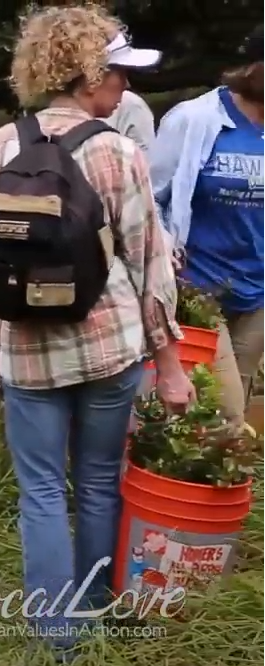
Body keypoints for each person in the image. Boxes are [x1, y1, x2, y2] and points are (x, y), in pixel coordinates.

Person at [0, 6, 193, 655]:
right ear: (87, 73)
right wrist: (168, 364)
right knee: (95, 482)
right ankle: (93, 613)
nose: (122, 85)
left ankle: (54, 638)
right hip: (109, 348)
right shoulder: (117, 150)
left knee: (39, 492)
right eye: (116, 72)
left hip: (27, 353)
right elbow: (149, 268)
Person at [150, 25, 264, 426]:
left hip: (257, 292)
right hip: (201, 286)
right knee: (226, 412)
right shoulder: (195, 119)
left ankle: (211, 485)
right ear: (256, 68)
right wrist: (166, 248)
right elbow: (151, 195)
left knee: (232, 403)